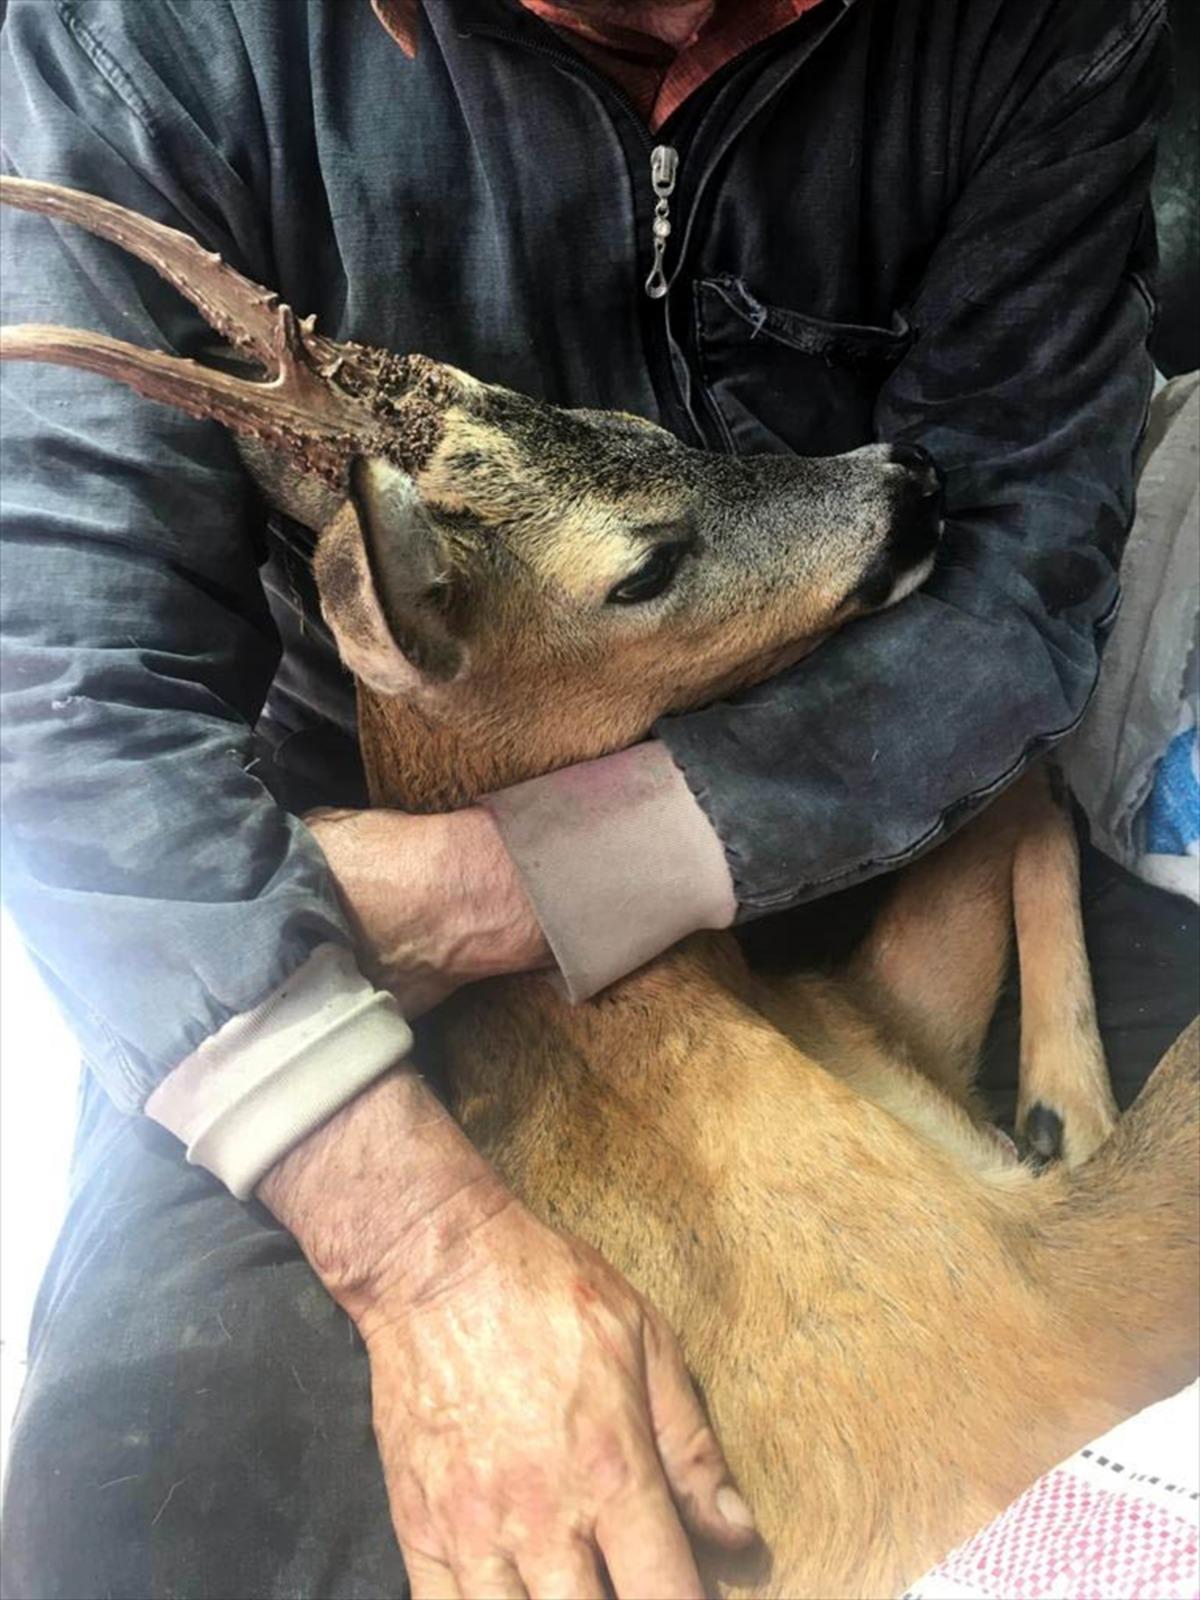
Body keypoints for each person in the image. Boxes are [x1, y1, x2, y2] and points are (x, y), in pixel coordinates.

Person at [0, 2, 1193, 1597]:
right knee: (139, 1537)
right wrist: (423, 1256)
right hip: (302, 916)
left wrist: (531, 879)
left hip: (874, 756)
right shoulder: (137, 43)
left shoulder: (1027, 29)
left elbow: (1022, 560)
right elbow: (63, 700)